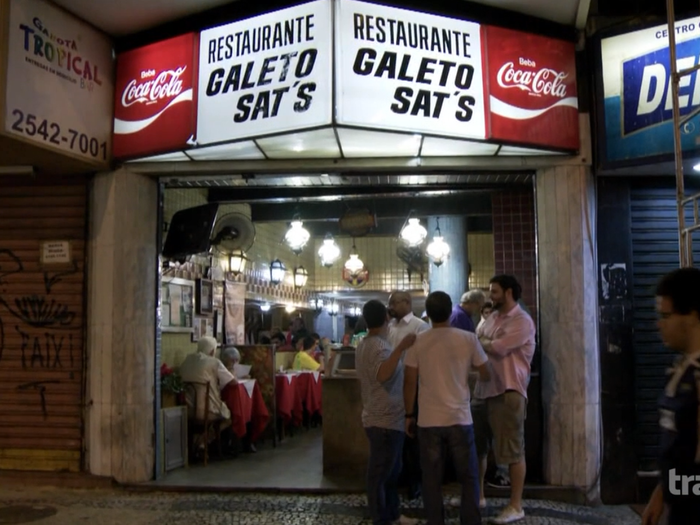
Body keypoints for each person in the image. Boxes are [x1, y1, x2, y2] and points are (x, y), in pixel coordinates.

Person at [404, 291, 490, 525]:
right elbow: (486, 372)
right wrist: (465, 375)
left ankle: (435, 521)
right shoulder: (468, 339)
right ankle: (470, 520)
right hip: (460, 418)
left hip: (429, 420)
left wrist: (409, 414)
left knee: (431, 479)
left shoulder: (418, 341)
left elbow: (410, 380)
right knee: (469, 476)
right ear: (450, 309)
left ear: (428, 314)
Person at [474, 275, 535, 524]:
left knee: (512, 451)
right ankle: (478, 497)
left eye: (495, 292)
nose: (491, 296)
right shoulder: (493, 317)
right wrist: (485, 341)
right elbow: (478, 338)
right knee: (477, 448)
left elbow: (497, 347)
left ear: (509, 292)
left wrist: (485, 341)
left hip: (508, 391)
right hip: (483, 390)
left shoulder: (522, 320)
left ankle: (515, 505)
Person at [642, 268, 700, 525]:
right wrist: (662, 493)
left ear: (692, 317)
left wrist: (680, 492)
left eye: (666, 315)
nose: (659, 324)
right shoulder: (681, 370)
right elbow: (677, 447)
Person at [355, 299, 418, 525]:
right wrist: (401, 348)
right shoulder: (378, 346)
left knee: (391, 472)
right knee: (380, 475)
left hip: (383, 418)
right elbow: (382, 375)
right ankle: (381, 518)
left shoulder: (365, 343)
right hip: (384, 422)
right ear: (385, 319)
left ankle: (392, 514)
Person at [388, 290, 430, 500]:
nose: (391, 307)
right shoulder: (391, 326)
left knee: (413, 435)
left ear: (407, 302)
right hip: (393, 387)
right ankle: (402, 475)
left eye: (394, 303)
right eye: (390, 303)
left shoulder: (419, 326)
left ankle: (416, 480)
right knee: (398, 435)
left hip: (412, 386)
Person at [180, 336, 235, 421]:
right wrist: (232, 370)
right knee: (231, 416)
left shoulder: (187, 360)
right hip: (208, 411)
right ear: (213, 351)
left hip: (187, 411)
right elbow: (233, 382)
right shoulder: (214, 362)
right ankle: (209, 434)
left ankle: (204, 433)